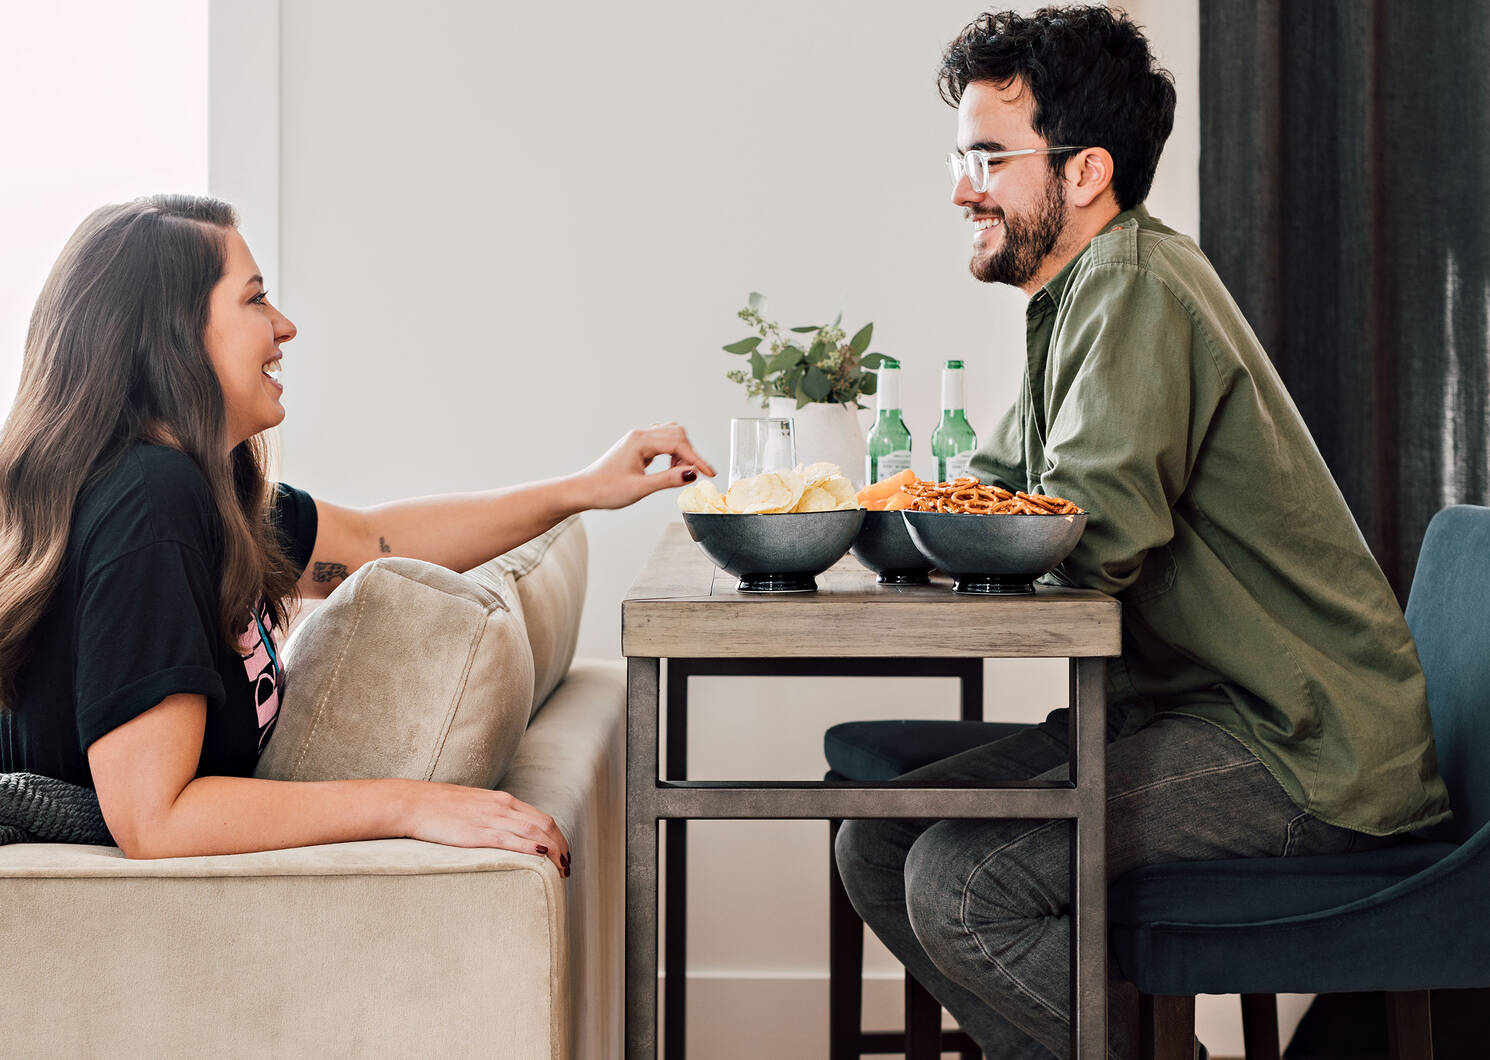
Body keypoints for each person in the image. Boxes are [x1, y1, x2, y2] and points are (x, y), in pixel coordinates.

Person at [834, 7, 1450, 1059]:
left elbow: (1085, 538)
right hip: (1188, 718)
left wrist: (927, 535)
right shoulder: (1073, 296)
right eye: (958, 155)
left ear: (1083, 174)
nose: (958, 188)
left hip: (1297, 750)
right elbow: (998, 492)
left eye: (986, 157)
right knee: (882, 839)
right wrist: (867, 517)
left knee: (961, 880)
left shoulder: (1129, 283)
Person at [0, 194, 716, 874]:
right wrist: (413, 804)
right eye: (254, 298)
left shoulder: (201, 487)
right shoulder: (150, 499)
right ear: (175, 335)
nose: (284, 326)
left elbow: (376, 539)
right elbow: (155, 819)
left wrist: (585, 488)